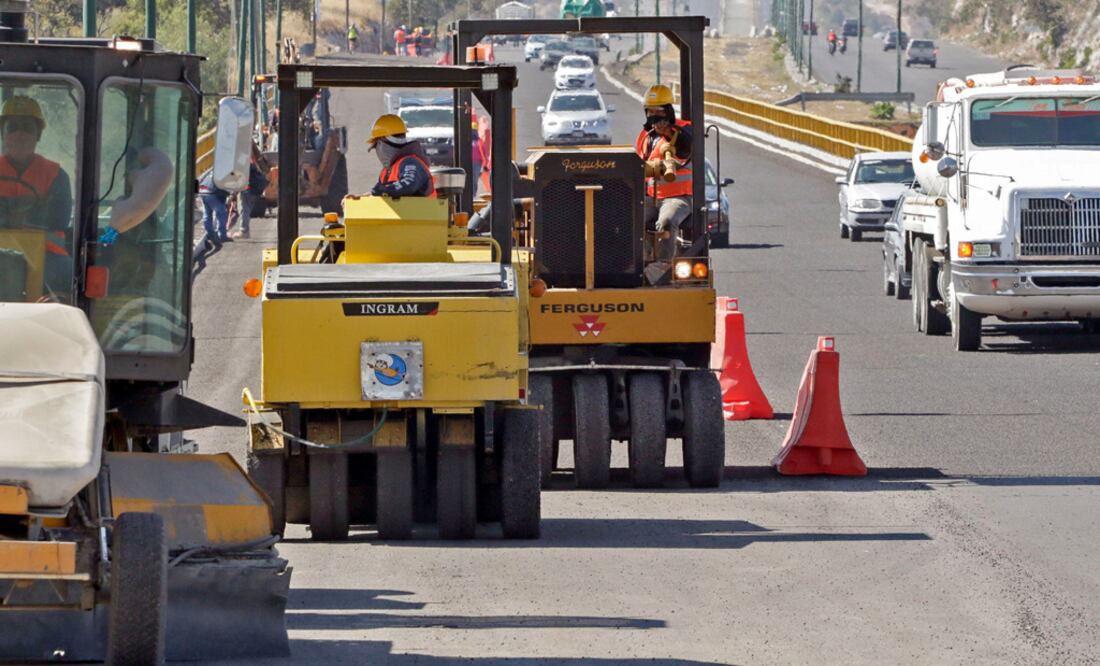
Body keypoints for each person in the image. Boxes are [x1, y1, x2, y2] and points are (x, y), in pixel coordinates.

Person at [0, 95, 74, 297]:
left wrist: (8, 211)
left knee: (70, 274)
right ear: (3, 134)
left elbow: (58, 219)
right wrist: (31, 208)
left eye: (27, 128)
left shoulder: (56, 174)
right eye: (12, 127)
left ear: (38, 135)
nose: (19, 134)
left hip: (47, 254)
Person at [634, 84, 693, 285]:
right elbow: (639, 165)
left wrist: (668, 131)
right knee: (629, 218)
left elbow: (685, 148)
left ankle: (661, 267)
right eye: (650, 111)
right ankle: (636, 265)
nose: (654, 116)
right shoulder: (645, 136)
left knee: (666, 221)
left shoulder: (683, 130)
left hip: (679, 197)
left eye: (659, 111)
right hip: (652, 197)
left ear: (668, 110)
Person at [367, 114, 435, 198]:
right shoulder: (386, 171)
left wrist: (384, 190)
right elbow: (380, 193)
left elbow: (409, 184)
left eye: (375, 146)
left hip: (423, 211)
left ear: (381, 144)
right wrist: (364, 198)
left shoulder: (410, 162)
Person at [232, 156, 269, 239]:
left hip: (247, 191)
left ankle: (244, 231)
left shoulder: (244, 167)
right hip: (254, 191)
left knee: (244, 210)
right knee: (247, 210)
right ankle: (245, 231)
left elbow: (238, 179)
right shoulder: (252, 165)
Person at [198, 168, 230, 246]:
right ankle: (222, 235)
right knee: (221, 213)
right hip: (213, 193)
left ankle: (210, 234)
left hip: (202, 192)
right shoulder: (224, 174)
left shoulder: (210, 172)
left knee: (207, 214)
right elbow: (227, 188)